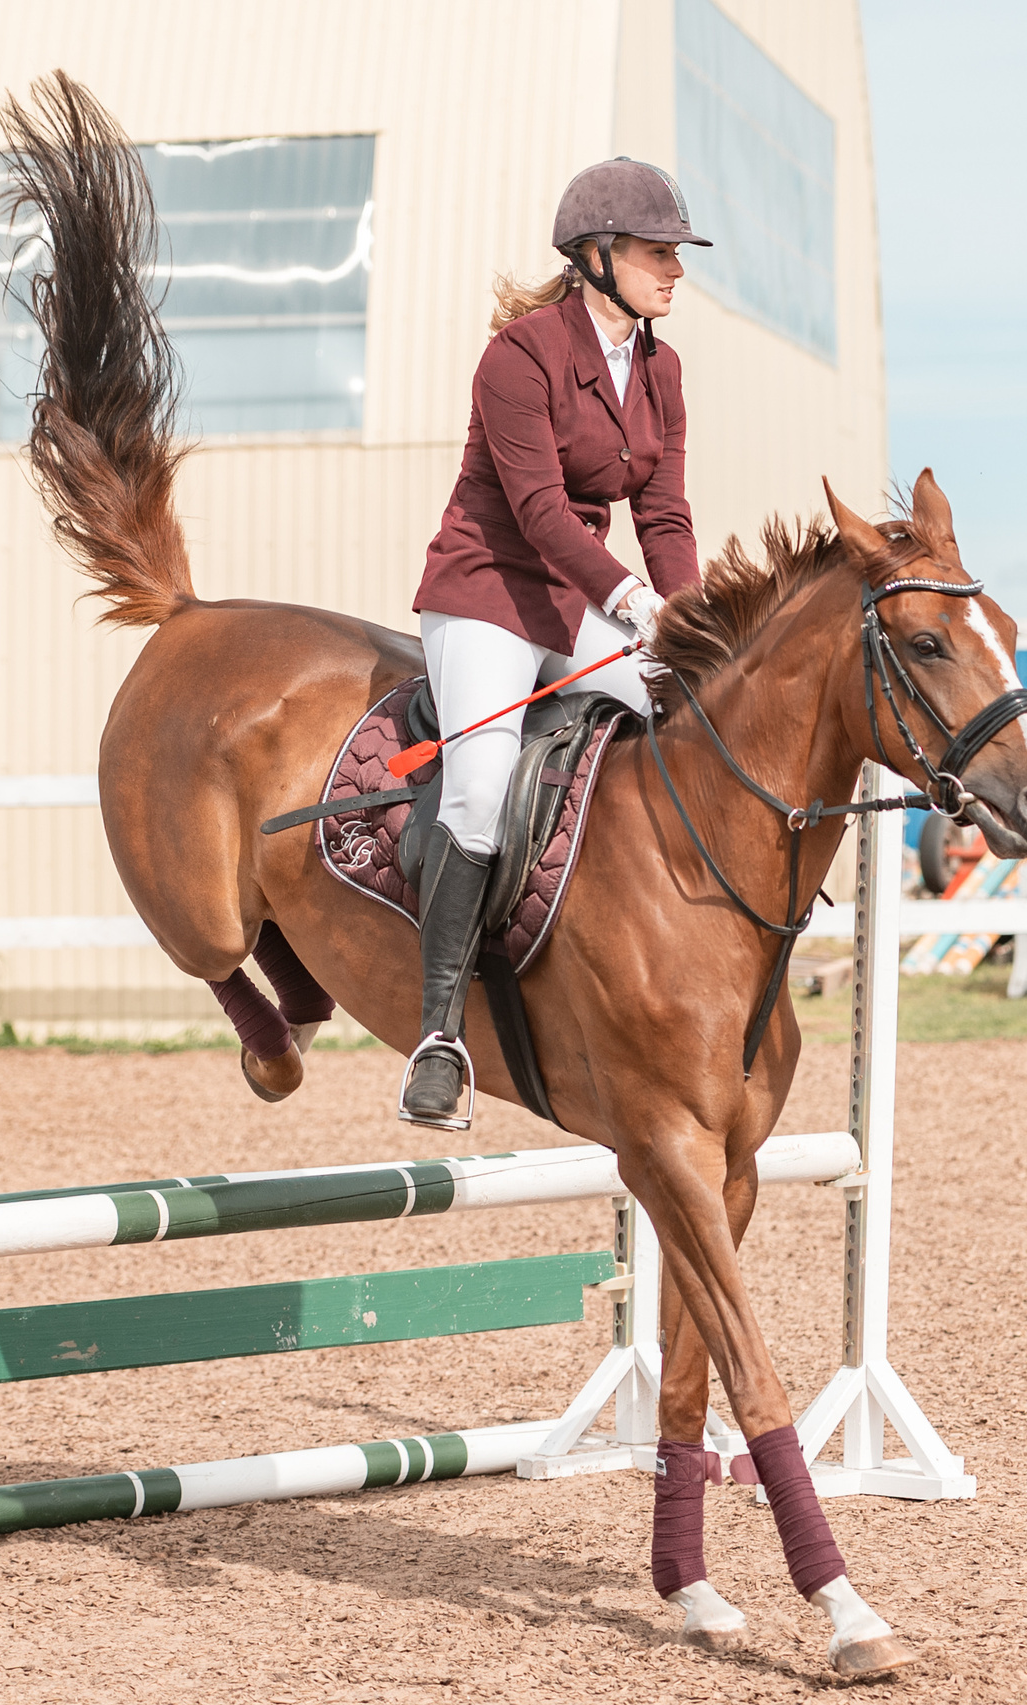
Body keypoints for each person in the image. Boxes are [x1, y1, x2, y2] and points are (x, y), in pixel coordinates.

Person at [399, 157, 709, 1127]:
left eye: (675, 253)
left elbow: (664, 513)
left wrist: (690, 621)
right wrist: (625, 598)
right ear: (598, 255)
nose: (675, 270)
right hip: (485, 594)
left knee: (685, 721)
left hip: (576, 606)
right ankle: (438, 1037)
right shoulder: (520, 355)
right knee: (483, 788)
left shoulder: (661, 370)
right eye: (660, 251)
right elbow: (536, 511)